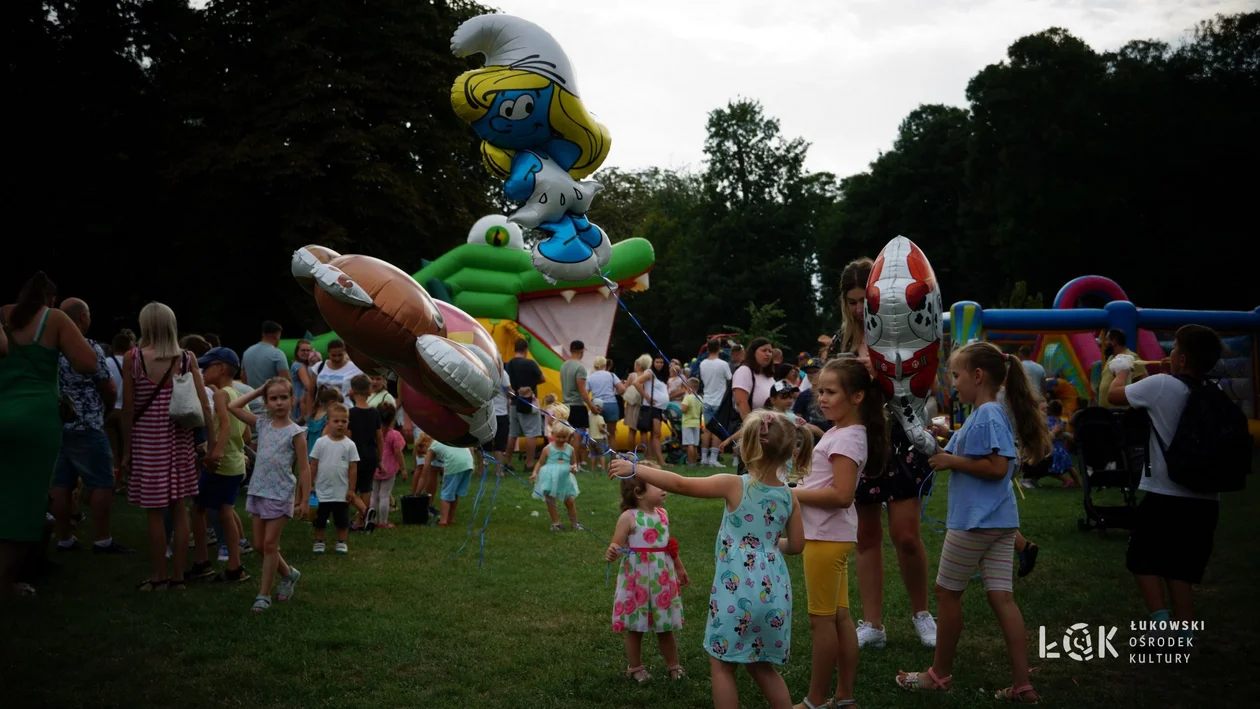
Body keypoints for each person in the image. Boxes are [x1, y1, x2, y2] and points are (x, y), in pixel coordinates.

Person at [607, 410, 808, 709]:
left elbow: (681, 484)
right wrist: (763, 543)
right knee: (762, 666)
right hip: (775, 595)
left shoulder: (734, 484)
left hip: (737, 592)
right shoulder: (789, 496)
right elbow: (796, 545)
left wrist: (636, 467)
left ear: (748, 447)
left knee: (723, 666)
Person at [896, 342, 1050, 702]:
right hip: (999, 524)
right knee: (1002, 599)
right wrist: (948, 442)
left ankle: (938, 674)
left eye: (957, 375)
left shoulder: (988, 414)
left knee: (947, 594)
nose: (953, 383)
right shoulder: (985, 413)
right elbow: (984, 454)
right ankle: (1022, 685)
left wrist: (953, 462)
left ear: (978, 376)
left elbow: (998, 469)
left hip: (975, 524)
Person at [830, 257, 938, 650]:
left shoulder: (902, 333)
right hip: (860, 443)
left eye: (865, 300)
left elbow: (926, 386)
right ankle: (873, 625)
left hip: (901, 440)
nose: (859, 308)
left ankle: (922, 614)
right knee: (866, 537)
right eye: (853, 300)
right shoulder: (841, 341)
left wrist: (881, 375)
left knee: (906, 535)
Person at [1107, 324, 1225, 644]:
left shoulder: (1161, 385)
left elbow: (1114, 396)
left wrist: (1120, 370)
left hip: (1165, 495)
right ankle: (1184, 634)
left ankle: (1160, 625)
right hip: (1206, 498)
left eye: (1173, 348)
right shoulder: (1214, 392)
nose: (1167, 353)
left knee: (1142, 559)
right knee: (1180, 568)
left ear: (1183, 358)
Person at [792, 358, 888, 709]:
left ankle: (815, 700)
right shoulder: (840, 431)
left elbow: (842, 495)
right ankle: (844, 697)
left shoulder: (847, 438)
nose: (823, 399)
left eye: (831, 392)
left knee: (821, 623)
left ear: (858, 396)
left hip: (825, 538)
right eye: (820, 391)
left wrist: (790, 494)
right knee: (840, 617)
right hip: (831, 536)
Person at [0, 273, 99, 596]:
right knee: (25, 499)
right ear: (51, 299)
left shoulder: (3, 314)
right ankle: (5, 581)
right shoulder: (53, 318)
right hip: (35, 418)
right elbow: (87, 362)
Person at [121, 302, 216, 592]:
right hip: (179, 441)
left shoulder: (133, 358)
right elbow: (203, 404)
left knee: (154, 512)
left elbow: (128, 408)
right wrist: (211, 444)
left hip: (148, 443)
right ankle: (178, 578)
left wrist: (126, 451)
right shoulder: (186, 359)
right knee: (180, 508)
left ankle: (159, 577)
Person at [50, 298, 130, 555]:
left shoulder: (49, 349)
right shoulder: (88, 348)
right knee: (102, 482)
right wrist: (104, 410)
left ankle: (64, 539)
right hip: (87, 423)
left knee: (60, 484)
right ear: (83, 318)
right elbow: (109, 388)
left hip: (57, 424)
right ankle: (102, 540)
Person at [228, 378, 310, 612]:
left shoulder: (296, 433)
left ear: (292, 400)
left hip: (281, 493)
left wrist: (303, 500)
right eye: (273, 398)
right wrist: (258, 390)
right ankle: (289, 574)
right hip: (259, 491)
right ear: (266, 402)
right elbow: (232, 407)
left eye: (284, 397)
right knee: (259, 545)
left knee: (270, 544)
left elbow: (304, 467)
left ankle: (263, 595)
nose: (279, 402)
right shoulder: (262, 424)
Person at [606, 476, 689, 683]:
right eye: (658, 485)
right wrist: (612, 551)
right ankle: (635, 667)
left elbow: (668, 544)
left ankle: (673, 665)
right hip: (638, 579)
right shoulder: (628, 517)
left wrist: (679, 567)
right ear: (639, 493)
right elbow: (617, 543)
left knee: (665, 625)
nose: (665, 489)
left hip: (661, 576)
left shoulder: (663, 514)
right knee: (636, 626)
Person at [187, 347, 251, 581]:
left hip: (222, 464)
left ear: (221, 368)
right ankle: (235, 566)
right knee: (225, 511)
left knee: (197, 508)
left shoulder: (220, 396)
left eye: (207, 366)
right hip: (236, 463)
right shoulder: (237, 396)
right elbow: (245, 436)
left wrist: (214, 452)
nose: (202, 370)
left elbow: (224, 425)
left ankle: (202, 562)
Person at [310, 402, 358, 555]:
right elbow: (313, 465)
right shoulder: (320, 443)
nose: (340, 424)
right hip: (321, 489)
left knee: (342, 519)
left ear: (348, 423)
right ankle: (319, 541)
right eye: (336, 421)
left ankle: (342, 541)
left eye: (343, 421)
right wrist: (310, 483)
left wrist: (351, 489)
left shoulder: (350, 445)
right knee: (320, 518)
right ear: (328, 423)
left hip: (341, 490)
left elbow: (353, 468)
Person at [347, 375, 382, 530]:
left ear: (352, 391)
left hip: (353, 456)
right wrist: (379, 458)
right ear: (369, 391)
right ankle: (361, 521)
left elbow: (347, 438)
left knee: (348, 488)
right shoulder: (375, 413)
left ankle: (364, 512)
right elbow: (379, 438)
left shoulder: (350, 413)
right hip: (370, 455)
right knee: (366, 488)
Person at [531, 424, 581, 532]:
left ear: (568, 436)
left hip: (565, 479)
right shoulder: (547, 449)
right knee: (550, 500)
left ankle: (575, 524)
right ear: (552, 435)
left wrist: (574, 469)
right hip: (550, 478)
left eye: (564, 437)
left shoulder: (570, 449)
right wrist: (535, 472)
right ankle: (556, 523)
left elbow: (574, 464)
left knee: (570, 501)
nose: (561, 439)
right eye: (558, 437)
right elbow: (540, 462)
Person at [505, 339, 544, 469]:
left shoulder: (508, 364)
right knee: (531, 433)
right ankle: (529, 463)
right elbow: (542, 378)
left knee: (513, 433)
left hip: (514, 401)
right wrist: (530, 385)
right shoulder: (530, 363)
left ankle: (507, 461)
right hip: (528, 401)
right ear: (526, 349)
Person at [104, 328, 136, 482]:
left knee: (112, 447)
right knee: (127, 448)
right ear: (130, 347)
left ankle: (112, 478)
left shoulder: (105, 362)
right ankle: (126, 478)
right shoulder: (134, 364)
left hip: (109, 410)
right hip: (127, 411)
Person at [560, 340, 598, 470]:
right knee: (578, 436)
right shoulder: (579, 368)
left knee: (567, 436)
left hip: (565, 405)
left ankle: (564, 461)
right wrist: (592, 406)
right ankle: (574, 464)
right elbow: (582, 390)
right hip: (577, 405)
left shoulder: (564, 366)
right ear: (582, 351)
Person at [242, 321, 291, 413]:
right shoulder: (277, 354)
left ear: (263, 334)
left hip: (250, 401)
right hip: (271, 404)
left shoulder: (247, 352)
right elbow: (285, 380)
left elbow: (243, 377)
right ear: (277, 335)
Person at [699, 338, 733, 467]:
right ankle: (713, 458)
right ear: (719, 349)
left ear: (707, 348)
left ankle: (703, 458)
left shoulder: (702, 364)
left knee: (707, 430)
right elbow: (730, 379)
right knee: (717, 430)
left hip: (706, 399)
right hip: (719, 401)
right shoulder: (723, 364)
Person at [372, 402, 406, 528]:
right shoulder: (394, 435)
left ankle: (372, 520)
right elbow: (399, 452)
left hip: (375, 467)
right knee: (384, 495)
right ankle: (384, 521)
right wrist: (403, 469)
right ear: (393, 418)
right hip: (389, 469)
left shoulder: (373, 433)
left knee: (374, 495)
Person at [426, 440, 474, 526]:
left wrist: (416, 493)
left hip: (454, 464)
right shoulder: (452, 437)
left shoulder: (433, 445)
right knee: (455, 493)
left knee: (446, 494)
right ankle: (451, 518)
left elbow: (425, 469)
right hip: (468, 463)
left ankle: (443, 521)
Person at [478, 364, 512, 476]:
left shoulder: (481, 370)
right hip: (501, 413)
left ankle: (481, 470)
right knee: (499, 444)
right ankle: (499, 471)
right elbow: (510, 392)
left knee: (483, 443)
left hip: (486, 413)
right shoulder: (502, 373)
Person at [1098, 328, 1145, 408]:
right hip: (1106, 412)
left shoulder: (1132, 357)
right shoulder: (1111, 358)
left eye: (1106, 340)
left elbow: (1143, 383)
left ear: (1114, 342)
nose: (1104, 343)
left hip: (1119, 412)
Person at [586, 356, 624, 451]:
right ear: (605, 364)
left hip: (597, 406)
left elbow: (585, 394)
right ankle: (614, 459)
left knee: (595, 434)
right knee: (612, 435)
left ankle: (597, 459)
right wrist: (615, 394)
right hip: (611, 404)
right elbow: (622, 389)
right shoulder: (611, 375)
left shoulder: (590, 378)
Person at [313, 339, 363, 404]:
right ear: (328, 353)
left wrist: (354, 394)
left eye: (340, 355)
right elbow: (310, 392)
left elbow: (365, 385)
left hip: (344, 409)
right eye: (333, 355)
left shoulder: (355, 368)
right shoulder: (319, 366)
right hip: (321, 409)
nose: (337, 359)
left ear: (345, 352)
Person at [290, 339, 319, 422]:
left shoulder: (306, 365)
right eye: (303, 350)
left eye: (308, 350)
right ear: (297, 352)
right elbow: (308, 385)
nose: (306, 353)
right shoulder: (299, 366)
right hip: (300, 400)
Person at [680, 379, 703, 466]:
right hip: (696, 422)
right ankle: (695, 461)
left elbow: (684, 409)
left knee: (689, 444)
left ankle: (690, 462)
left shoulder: (687, 397)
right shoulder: (700, 398)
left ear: (689, 387)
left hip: (687, 423)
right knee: (695, 444)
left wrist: (681, 408)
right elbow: (701, 411)